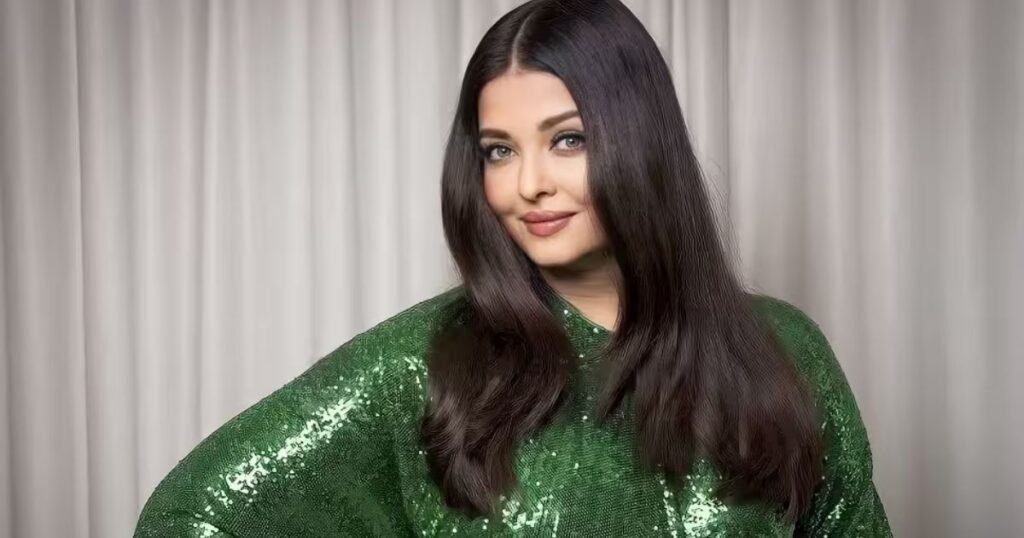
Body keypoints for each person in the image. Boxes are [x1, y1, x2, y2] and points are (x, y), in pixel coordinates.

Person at [134, 0, 892, 536]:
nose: (527, 183)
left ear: (640, 142)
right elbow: (192, 517)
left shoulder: (785, 350)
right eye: (499, 150)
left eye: (566, 140)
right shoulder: (424, 363)